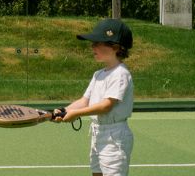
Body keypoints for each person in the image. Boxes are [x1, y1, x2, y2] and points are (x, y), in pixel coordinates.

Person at [53, 18, 134, 176]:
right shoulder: (98, 74)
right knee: (96, 173)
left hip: (115, 137)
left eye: (98, 43)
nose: (92, 46)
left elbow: (106, 106)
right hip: (98, 134)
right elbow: (85, 101)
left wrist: (75, 114)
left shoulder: (121, 74)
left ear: (115, 47)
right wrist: (64, 110)